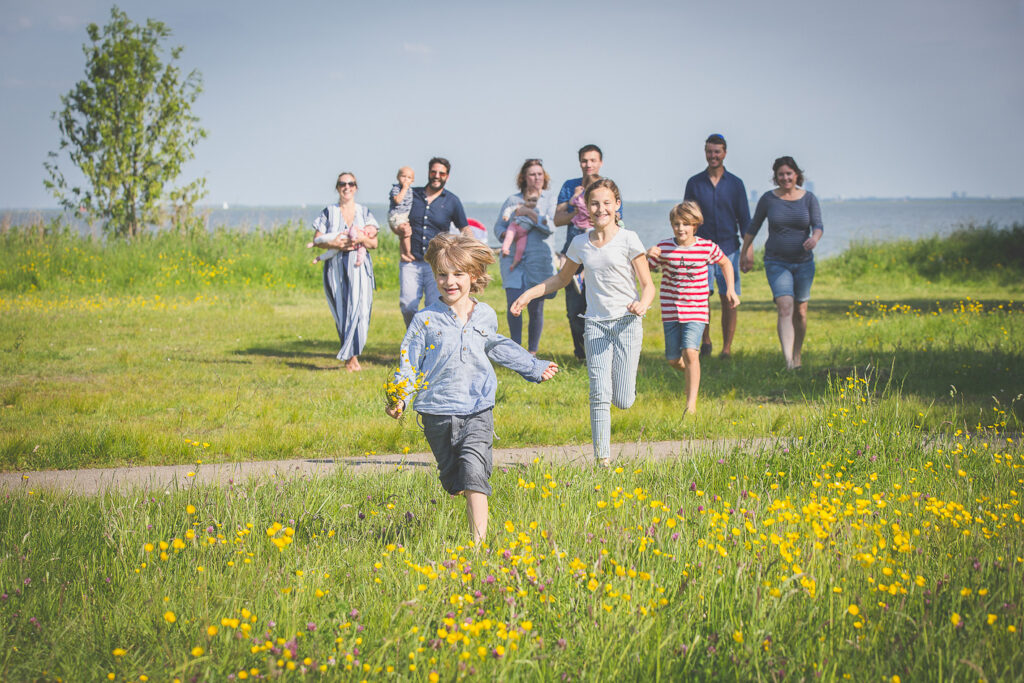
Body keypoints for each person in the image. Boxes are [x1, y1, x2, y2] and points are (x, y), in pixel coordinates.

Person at [385, 234, 558, 543]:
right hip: (436, 412)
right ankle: (458, 480)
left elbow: (497, 345)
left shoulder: (485, 315)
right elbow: (408, 362)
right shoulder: (425, 320)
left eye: (458, 274)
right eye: (442, 274)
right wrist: (399, 398)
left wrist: (532, 367)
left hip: (478, 408)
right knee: (455, 479)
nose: (449, 281)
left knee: (476, 474)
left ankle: (477, 546)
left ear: (474, 276)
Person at [512, 179, 654, 465]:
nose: (600, 208)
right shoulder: (580, 243)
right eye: (594, 204)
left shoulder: (630, 239)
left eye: (606, 203)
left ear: (617, 205)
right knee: (598, 394)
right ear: (586, 208)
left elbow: (648, 285)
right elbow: (561, 279)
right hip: (596, 326)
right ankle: (602, 461)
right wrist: (529, 294)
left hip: (627, 323)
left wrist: (642, 304)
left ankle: (621, 388)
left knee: (623, 400)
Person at [647, 201, 739, 414]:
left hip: (696, 309)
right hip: (671, 309)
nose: (681, 228)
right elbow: (646, 267)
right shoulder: (665, 248)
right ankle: (692, 371)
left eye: (686, 224)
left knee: (690, 351)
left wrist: (731, 290)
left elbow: (725, 263)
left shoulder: (706, 247)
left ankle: (691, 406)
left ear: (695, 225)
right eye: (677, 224)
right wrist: (647, 253)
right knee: (673, 359)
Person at [740, 156, 823, 370]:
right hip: (777, 262)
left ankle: (797, 354)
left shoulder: (809, 198)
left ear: (797, 175)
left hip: (804, 263)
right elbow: (753, 227)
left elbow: (818, 225)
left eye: (789, 173)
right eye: (781, 174)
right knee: (785, 306)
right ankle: (789, 362)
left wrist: (815, 238)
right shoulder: (769, 199)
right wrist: (745, 252)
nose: (785, 178)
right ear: (776, 178)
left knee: (800, 311)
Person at [553, 144, 622, 361]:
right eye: (584, 160)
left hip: (601, 254)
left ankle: (603, 352)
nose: (588, 164)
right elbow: (557, 218)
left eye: (592, 160)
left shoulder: (607, 187)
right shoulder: (569, 186)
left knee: (601, 307)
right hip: (574, 254)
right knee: (574, 310)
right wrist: (578, 208)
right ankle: (581, 353)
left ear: (600, 162)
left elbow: (617, 219)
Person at [684, 133, 750, 359]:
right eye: (710, 151)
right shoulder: (694, 183)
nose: (713, 156)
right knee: (701, 297)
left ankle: (727, 348)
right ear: (705, 153)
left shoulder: (736, 184)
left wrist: (748, 250)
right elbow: (687, 217)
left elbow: (745, 219)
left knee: (729, 299)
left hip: (729, 248)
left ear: (724, 153)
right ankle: (706, 342)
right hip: (701, 249)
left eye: (717, 152)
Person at [311, 172, 379, 372]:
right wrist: (334, 243)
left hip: (359, 266)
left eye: (350, 184)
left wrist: (360, 240)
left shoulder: (364, 212)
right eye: (342, 184)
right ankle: (350, 357)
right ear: (337, 187)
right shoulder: (328, 212)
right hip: (335, 266)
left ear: (356, 187)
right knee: (342, 311)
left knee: (361, 309)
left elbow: (374, 242)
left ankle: (353, 354)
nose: (346, 187)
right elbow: (317, 239)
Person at [393, 157, 471, 327]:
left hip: (436, 265)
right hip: (410, 261)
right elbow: (396, 219)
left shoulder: (452, 201)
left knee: (434, 306)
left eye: (441, 173)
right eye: (433, 172)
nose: (437, 176)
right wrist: (398, 231)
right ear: (428, 173)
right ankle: (415, 336)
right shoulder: (411, 195)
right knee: (407, 305)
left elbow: (464, 229)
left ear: (447, 176)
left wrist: (471, 251)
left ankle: (430, 344)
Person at [493, 159, 557, 354]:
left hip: (538, 262)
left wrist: (530, 216)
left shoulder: (550, 199)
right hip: (513, 262)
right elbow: (499, 226)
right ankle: (515, 349)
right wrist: (508, 235)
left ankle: (532, 351)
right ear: (523, 177)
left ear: (544, 177)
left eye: (539, 174)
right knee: (514, 303)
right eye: (532, 174)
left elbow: (551, 227)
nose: (536, 178)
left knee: (536, 308)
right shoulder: (512, 200)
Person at [387, 166, 415, 262]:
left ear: (412, 180)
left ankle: (403, 254)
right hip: (396, 215)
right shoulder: (396, 189)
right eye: (403, 176)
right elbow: (397, 200)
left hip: (405, 216)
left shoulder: (411, 190)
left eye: (409, 177)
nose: (406, 179)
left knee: (404, 235)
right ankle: (407, 253)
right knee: (406, 231)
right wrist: (404, 189)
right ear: (398, 177)